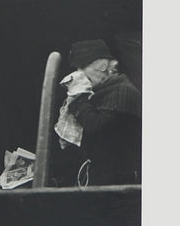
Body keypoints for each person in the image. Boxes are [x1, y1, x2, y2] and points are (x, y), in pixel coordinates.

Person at [59, 38, 142, 186]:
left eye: (83, 66)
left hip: (121, 182)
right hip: (107, 179)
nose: (79, 74)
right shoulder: (104, 91)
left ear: (103, 65)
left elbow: (95, 125)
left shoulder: (122, 90)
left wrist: (78, 98)